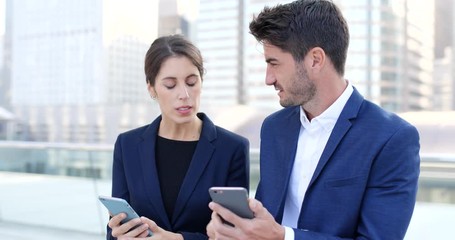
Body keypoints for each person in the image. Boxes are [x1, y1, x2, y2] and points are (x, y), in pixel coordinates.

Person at [206, 0, 420, 239]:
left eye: (274, 63)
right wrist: (234, 229)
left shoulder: (392, 138)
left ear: (315, 60)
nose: (268, 79)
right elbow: (266, 219)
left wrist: (283, 236)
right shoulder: (274, 128)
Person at [106, 34, 250, 240]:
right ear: (151, 88)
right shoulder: (127, 145)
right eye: (170, 85)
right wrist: (117, 235)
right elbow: (115, 227)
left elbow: (236, 235)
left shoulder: (232, 149)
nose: (184, 94)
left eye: (191, 82)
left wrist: (176, 239)